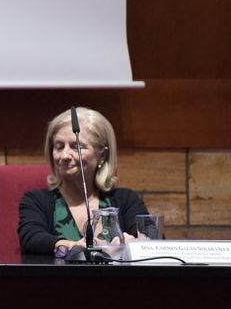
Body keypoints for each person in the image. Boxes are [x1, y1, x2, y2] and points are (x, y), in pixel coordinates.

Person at [18, 107, 149, 258]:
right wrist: (70, 246)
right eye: (59, 147)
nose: (65, 155)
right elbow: (31, 237)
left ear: (102, 155)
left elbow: (153, 244)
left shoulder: (126, 200)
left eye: (77, 147)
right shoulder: (36, 201)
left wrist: (135, 244)